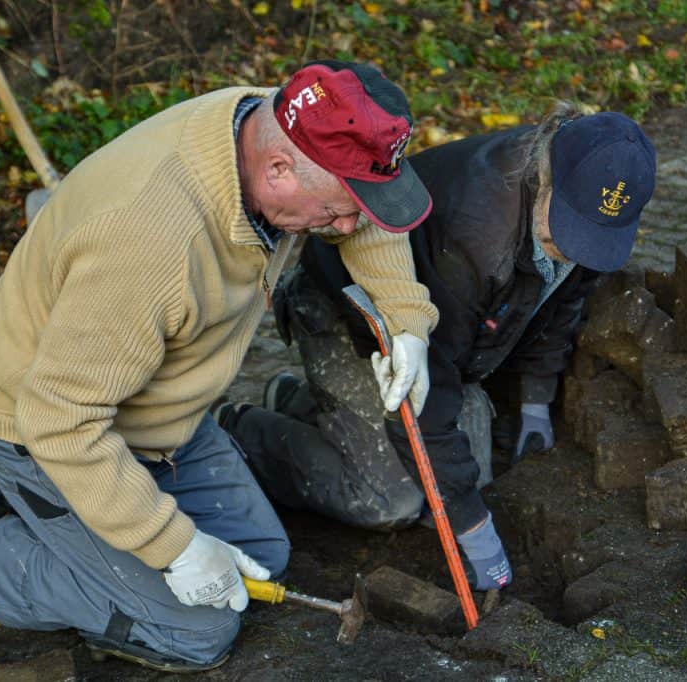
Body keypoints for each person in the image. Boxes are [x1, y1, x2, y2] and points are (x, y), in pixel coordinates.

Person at [0, 60, 438, 672]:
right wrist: (174, 546)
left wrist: (405, 321)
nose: (348, 228)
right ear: (278, 171)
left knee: (257, 561)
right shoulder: (148, 246)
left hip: (159, 415)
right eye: (336, 213)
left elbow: (359, 203)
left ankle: (42, 505)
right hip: (40, 425)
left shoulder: (269, 122)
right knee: (195, 631)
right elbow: (60, 421)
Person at [217, 103, 657, 592]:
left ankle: (303, 404)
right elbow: (433, 389)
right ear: (546, 177)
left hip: (442, 336)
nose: (576, 248)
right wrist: (472, 526)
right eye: (567, 232)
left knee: (465, 477)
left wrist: (536, 399)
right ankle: (242, 430)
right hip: (347, 311)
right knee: (391, 500)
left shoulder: (587, 210)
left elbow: (560, 304)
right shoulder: (475, 233)